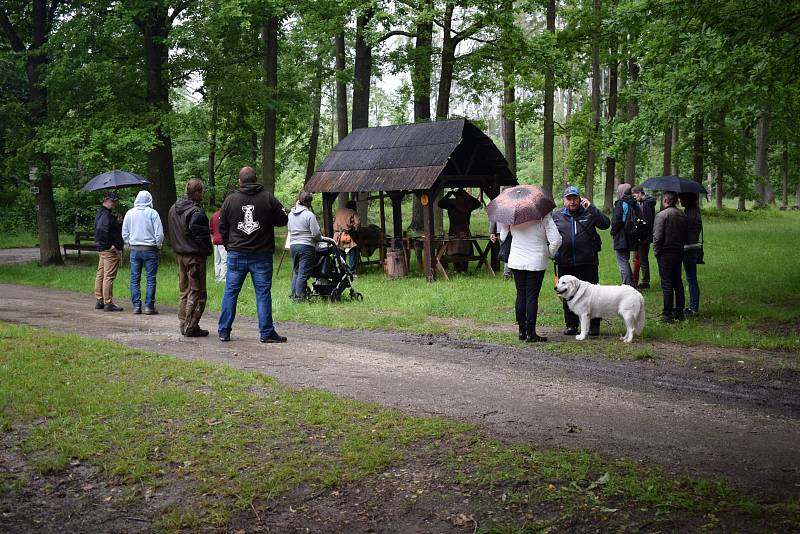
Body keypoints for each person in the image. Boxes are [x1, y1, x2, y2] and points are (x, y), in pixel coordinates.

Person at [217, 166, 288, 343]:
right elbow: (283, 220)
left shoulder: (230, 200)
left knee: (231, 292)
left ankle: (224, 330)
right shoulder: (267, 198)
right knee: (263, 293)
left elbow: (222, 227)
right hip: (261, 255)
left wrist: (229, 245)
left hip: (236, 253)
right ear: (256, 179)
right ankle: (266, 333)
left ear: (239, 181)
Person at [551, 185, 610, 336]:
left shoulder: (589, 213)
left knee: (593, 295)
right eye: (569, 199)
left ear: (580, 199)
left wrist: (592, 208)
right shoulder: (556, 216)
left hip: (587, 261)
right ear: (564, 201)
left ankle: (594, 325)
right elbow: (549, 237)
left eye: (575, 198)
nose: (572, 202)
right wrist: (554, 253)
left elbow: (605, 224)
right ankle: (571, 324)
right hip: (565, 261)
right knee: (567, 294)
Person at [499, 211, 562, 343]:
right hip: (536, 261)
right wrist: (549, 254)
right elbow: (556, 240)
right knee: (532, 296)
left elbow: (503, 237)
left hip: (516, 261)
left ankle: (522, 331)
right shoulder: (544, 216)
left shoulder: (512, 215)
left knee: (521, 294)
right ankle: (531, 333)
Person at [168, 179, 213, 337]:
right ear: (197, 193)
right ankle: (191, 326)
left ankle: (184, 322)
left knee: (184, 291)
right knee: (197, 292)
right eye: (202, 192)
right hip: (194, 257)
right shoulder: (196, 212)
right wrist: (208, 250)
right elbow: (201, 236)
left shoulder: (173, 208)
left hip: (180, 255)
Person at [122, 190, 164, 315]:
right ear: (149, 199)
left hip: (135, 249)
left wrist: (128, 243)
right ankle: (149, 306)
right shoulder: (153, 213)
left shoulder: (129, 213)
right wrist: (159, 245)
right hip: (150, 249)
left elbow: (125, 232)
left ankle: (136, 306)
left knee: (134, 278)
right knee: (150, 278)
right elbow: (159, 233)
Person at [652, 191, 688, 322]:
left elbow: (657, 236)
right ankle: (679, 312)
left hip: (665, 252)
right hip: (678, 251)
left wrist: (656, 251)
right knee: (677, 281)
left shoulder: (661, 216)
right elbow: (686, 234)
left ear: (666, 201)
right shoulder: (682, 215)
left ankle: (667, 313)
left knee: (667, 283)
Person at [287, 190, 321, 300]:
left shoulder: (291, 214)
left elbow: (289, 229)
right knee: (303, 273)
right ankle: (300, 297)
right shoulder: (309, 215)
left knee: (297, 271)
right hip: (306, 246)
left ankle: (294, 294)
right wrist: (320, 239)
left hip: (293, 245)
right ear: (309, 203)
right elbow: (315, 233)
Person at [93, 191, 125, 311]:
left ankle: (99, 300)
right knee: (108, 276)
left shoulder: (101, 213)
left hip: (102, 249)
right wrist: (110, 245)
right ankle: (108, 302)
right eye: (112, 201)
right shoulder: (106, 215)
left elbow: (104, 228)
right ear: (105, 200)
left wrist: (117, 223)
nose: (114, 203)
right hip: (108, 250)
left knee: (100, 274)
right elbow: (102, 230)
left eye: (115, 201)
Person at [439, 189, 482, 272]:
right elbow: (478, 203)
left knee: (455, 251)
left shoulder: (452, 203)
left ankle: (457, 268)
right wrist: (469, 196)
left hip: (454, 231)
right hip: (464, 230)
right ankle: (463, 269)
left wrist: (448, 195)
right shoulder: (468, 204)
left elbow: (440, 203)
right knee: (465, 250)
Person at [610, 183, 639, 286]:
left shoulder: (621, 204)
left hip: (621, 237)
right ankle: (631, 284)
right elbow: (639, 219)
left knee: (623, 263)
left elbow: (616, 221)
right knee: (626, 261)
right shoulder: (635, 203)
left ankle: (628, 286)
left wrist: (613, 232)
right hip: (632, 236)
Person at [680, 192, 703, 316]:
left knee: (691, 279)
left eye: (681, 198)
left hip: (689, 247)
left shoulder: (689, 213)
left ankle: (693, 308)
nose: (680, 200)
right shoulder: (695, 211)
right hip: (695, 246)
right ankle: (693, 306)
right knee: (692, 278)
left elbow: (685, 230)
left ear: (687, 199)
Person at [631, 186, 657, 289]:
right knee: (641, 258)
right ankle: (644, 280)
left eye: (635, 195)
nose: (634, 198)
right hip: (644, 234)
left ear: (640, 193)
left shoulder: (646, 204)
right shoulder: (644, 203)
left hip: (644, 236)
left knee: (642, 259)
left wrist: (635, 221)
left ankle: (645, 281)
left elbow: (646, 222)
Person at [333, 200, 361, 274]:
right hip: (346, 235)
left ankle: (343, 271)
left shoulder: (339, 211)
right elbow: (358, 223)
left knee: (341, 253)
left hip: (337, 235)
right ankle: (352, 271)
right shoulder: (353, 212)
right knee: (353, 252)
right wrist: (355, 229)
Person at [209, 206, 227, 282]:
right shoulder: (225, 215)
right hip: (222, 241)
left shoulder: (214, 215)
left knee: (217, 260)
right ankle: (223, 278)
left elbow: (211, 229)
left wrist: (212, 239)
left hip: (215, 240)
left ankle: (217, 277)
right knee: (224, 260)